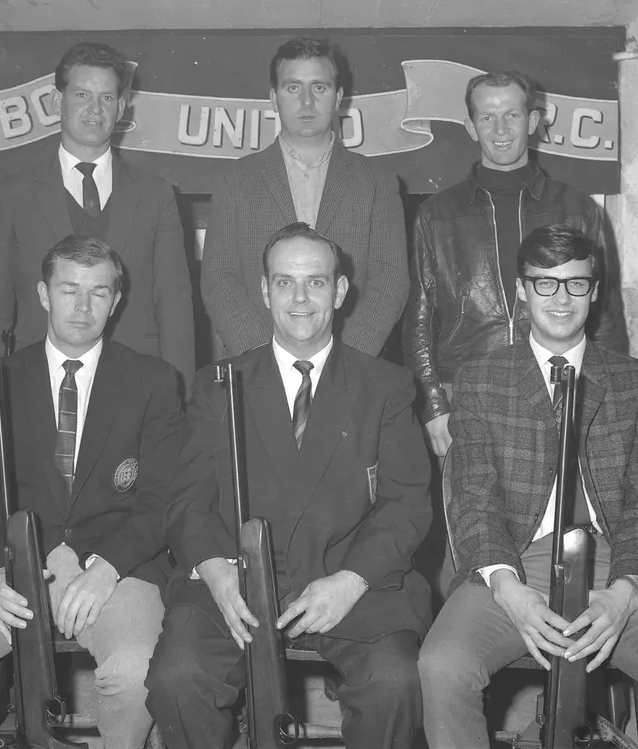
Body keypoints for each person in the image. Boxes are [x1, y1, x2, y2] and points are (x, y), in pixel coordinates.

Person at [418, 225, 638, 748]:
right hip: (514, 560)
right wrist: (507, 588)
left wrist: (626, 593)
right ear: (521, 289)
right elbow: (472, 496)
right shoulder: (481, 380)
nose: (561, 299)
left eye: (576, 284)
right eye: (545, 284)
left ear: (595, 290)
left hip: (617, 562)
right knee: (441, 667)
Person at [147, 223, 431, 749]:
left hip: (348, 577)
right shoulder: (217, 385)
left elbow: (407, 503)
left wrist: (351, 580)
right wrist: (214, 570)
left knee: (395, 683)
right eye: (284, 283)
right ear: (264, 291)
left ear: (340, 291)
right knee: (177, 679)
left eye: (316, 283)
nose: (300, 299)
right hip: (235, 582)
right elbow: (187, 501)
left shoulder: (384, 386)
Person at [0, 234, 184, 749]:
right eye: (68, 289)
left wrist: (105, 569)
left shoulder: (154, 382)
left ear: (116, 300)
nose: (82, 307)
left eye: (98, 292)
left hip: (113, 569)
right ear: (42, 293)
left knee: (136, 668)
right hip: (10, 569)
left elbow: (163, 498)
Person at [403, 70, 627, 460]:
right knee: (473, 520)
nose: (500, 128)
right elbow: (418, 319)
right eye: (487, 117)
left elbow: (605, 315)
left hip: (561, 389)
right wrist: (434, 405)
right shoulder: (437, 214)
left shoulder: (577, 209)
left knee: (559, 522)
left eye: (512, 115)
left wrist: (604, 404)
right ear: (471, 128)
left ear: (534, 121)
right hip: (467, 395)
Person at [0, 41, 195, 388]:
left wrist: (179, 396)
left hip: (135, 385)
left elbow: (175, 308)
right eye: (81, 96)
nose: (95, 109)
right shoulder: (14, 194)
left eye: (106, 98)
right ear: (58, 101)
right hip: (39, 382)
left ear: (121, 108)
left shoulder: (156, 194)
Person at [201, 37, 407, 358]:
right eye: (293, 88)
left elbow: (390, 279)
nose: (307, 101)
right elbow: (219, 280)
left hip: (352, 371)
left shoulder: (377, 182)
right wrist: (266, 358)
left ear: (338, 97)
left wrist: (342, 361)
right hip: (258, 368)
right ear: (274, 97)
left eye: (319, 88)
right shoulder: (236, 180)